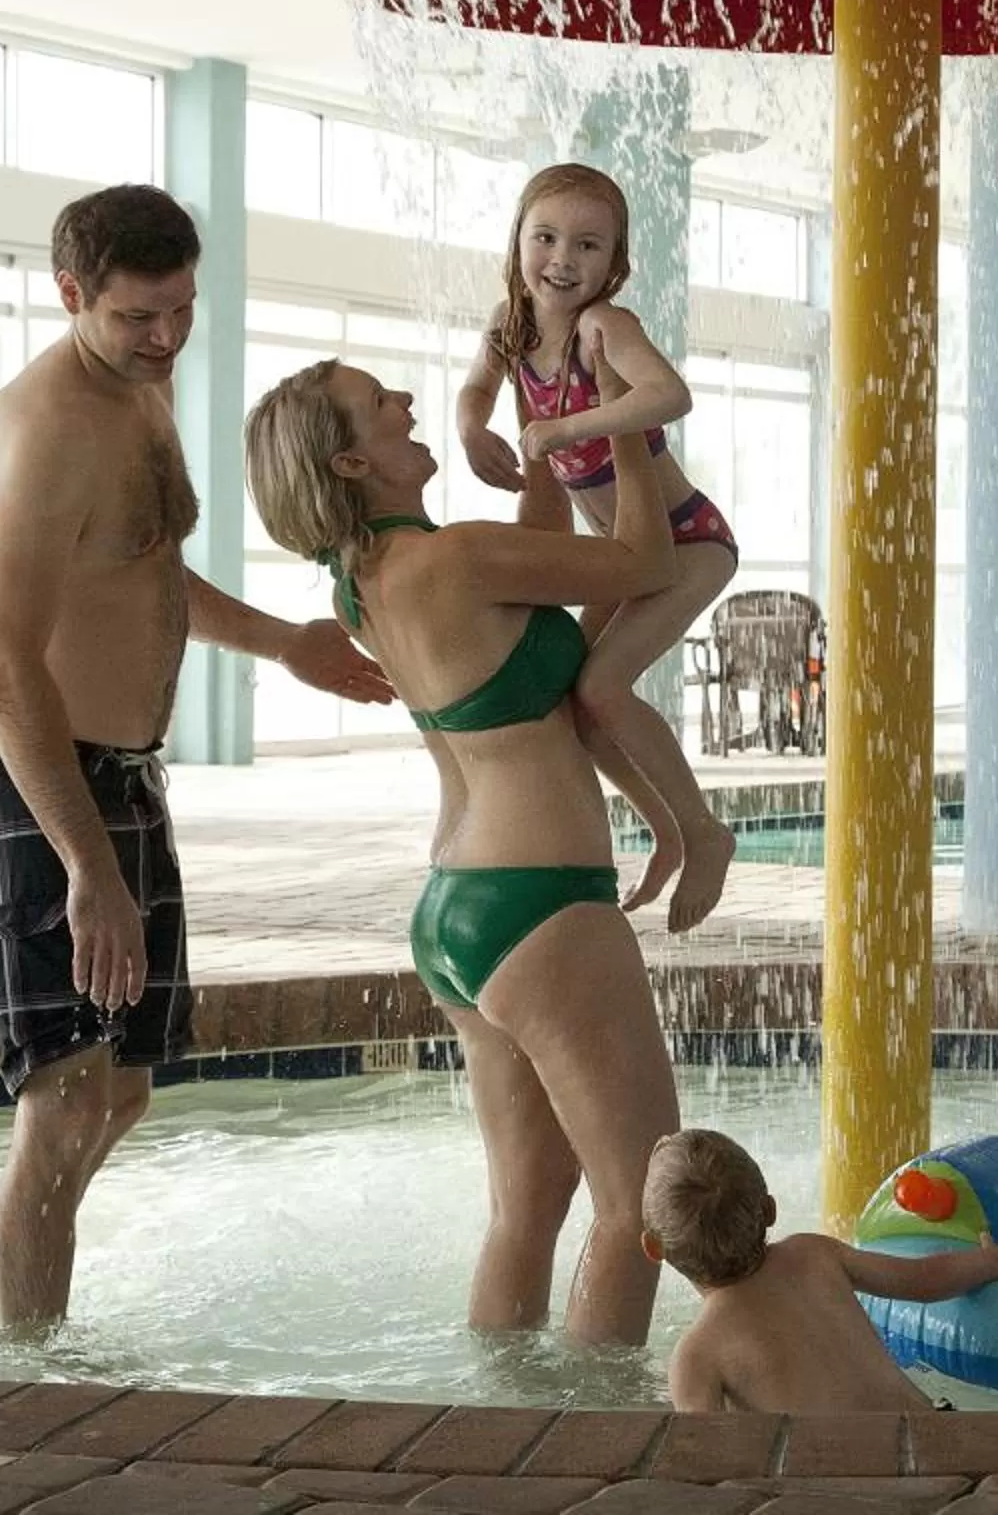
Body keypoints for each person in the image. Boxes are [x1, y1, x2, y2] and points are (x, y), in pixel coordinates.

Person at [0, 184, 392, 1332]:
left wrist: (283, 641)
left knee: (125, 1086)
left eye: (182, 308)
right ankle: (31, 1382)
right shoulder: (46, 431)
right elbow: (4, 666)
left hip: (121, 774)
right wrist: (86, 866)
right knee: (66, 1096)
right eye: (137, 316)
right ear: (70, 294)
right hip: (33, 774)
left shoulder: (138, 394)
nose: (166, 336)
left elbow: (142, 577)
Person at [246, 350, 689, 1344]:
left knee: (526, 1210)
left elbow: (529, 559)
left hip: (459, 910)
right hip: (543, 901)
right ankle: (598, 1448)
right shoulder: (455, 561)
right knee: (643, 1205)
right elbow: (645, 564)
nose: (404, 401)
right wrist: (613, 418)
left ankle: (500, 1421)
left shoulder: (373, 581)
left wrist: (542, 430)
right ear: (350, 464)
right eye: (377, 404)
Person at [454, 164, 736, 933]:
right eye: (545, 237)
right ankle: (668, 831)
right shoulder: (508, 329)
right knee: (574, 703)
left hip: (686, 540)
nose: (562, 259)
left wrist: (565, 430)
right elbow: (476, 388)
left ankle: (705, 831)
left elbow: (669, 394)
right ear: (517, 240)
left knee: (605, 686)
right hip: (620, 550)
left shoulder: (604, 328)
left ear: (613, 264)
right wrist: (472, 428)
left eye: (586, 245)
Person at [644, 1128, 998, 1412]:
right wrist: (996, 1260)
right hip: (930, 1433)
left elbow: (702, 1461)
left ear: (654, 1249)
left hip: (837, 1484)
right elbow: (922, 1280)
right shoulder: (813, 1254)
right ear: (770, 1210)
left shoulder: (696, 1355)